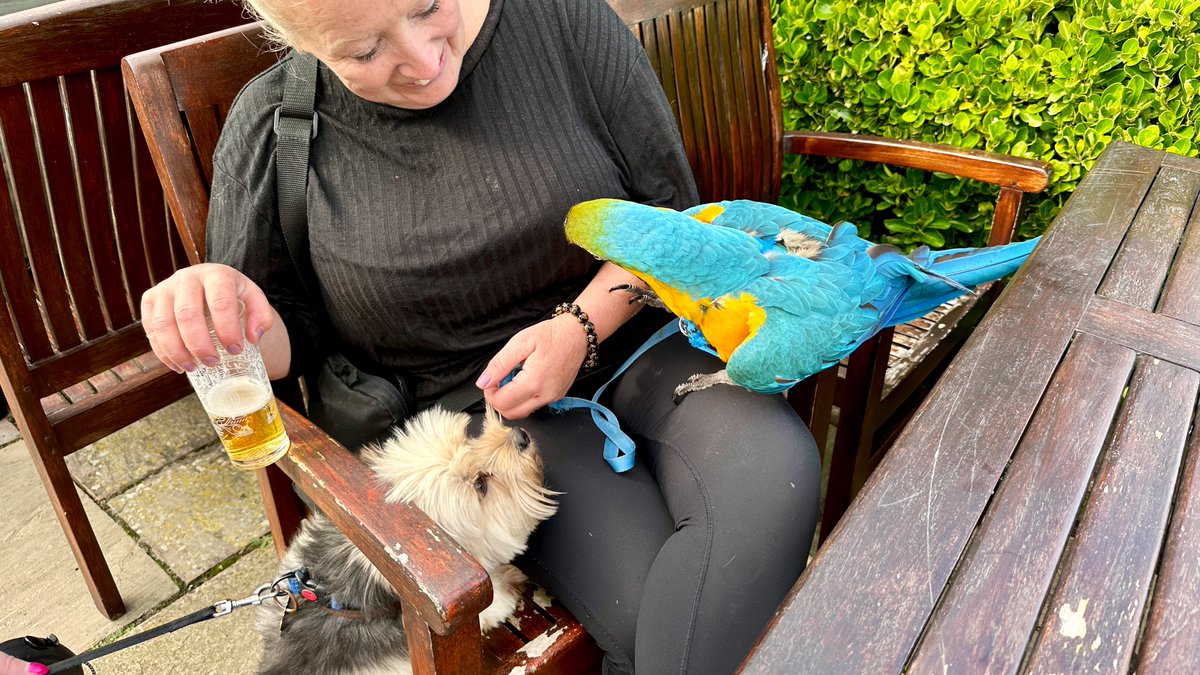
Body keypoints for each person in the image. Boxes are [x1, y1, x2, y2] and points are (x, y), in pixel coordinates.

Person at [139, 0, 821, 671]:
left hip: (638, 336)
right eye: (364, 52)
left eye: (427, 4)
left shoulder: (562, 19)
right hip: (485, 427)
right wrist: (225, 319)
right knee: (661, 607)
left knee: (775, 474)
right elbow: (283, 348)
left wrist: (578, 327)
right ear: (296, 40)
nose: (421, 58)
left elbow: (668, 215)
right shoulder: (275, 126)